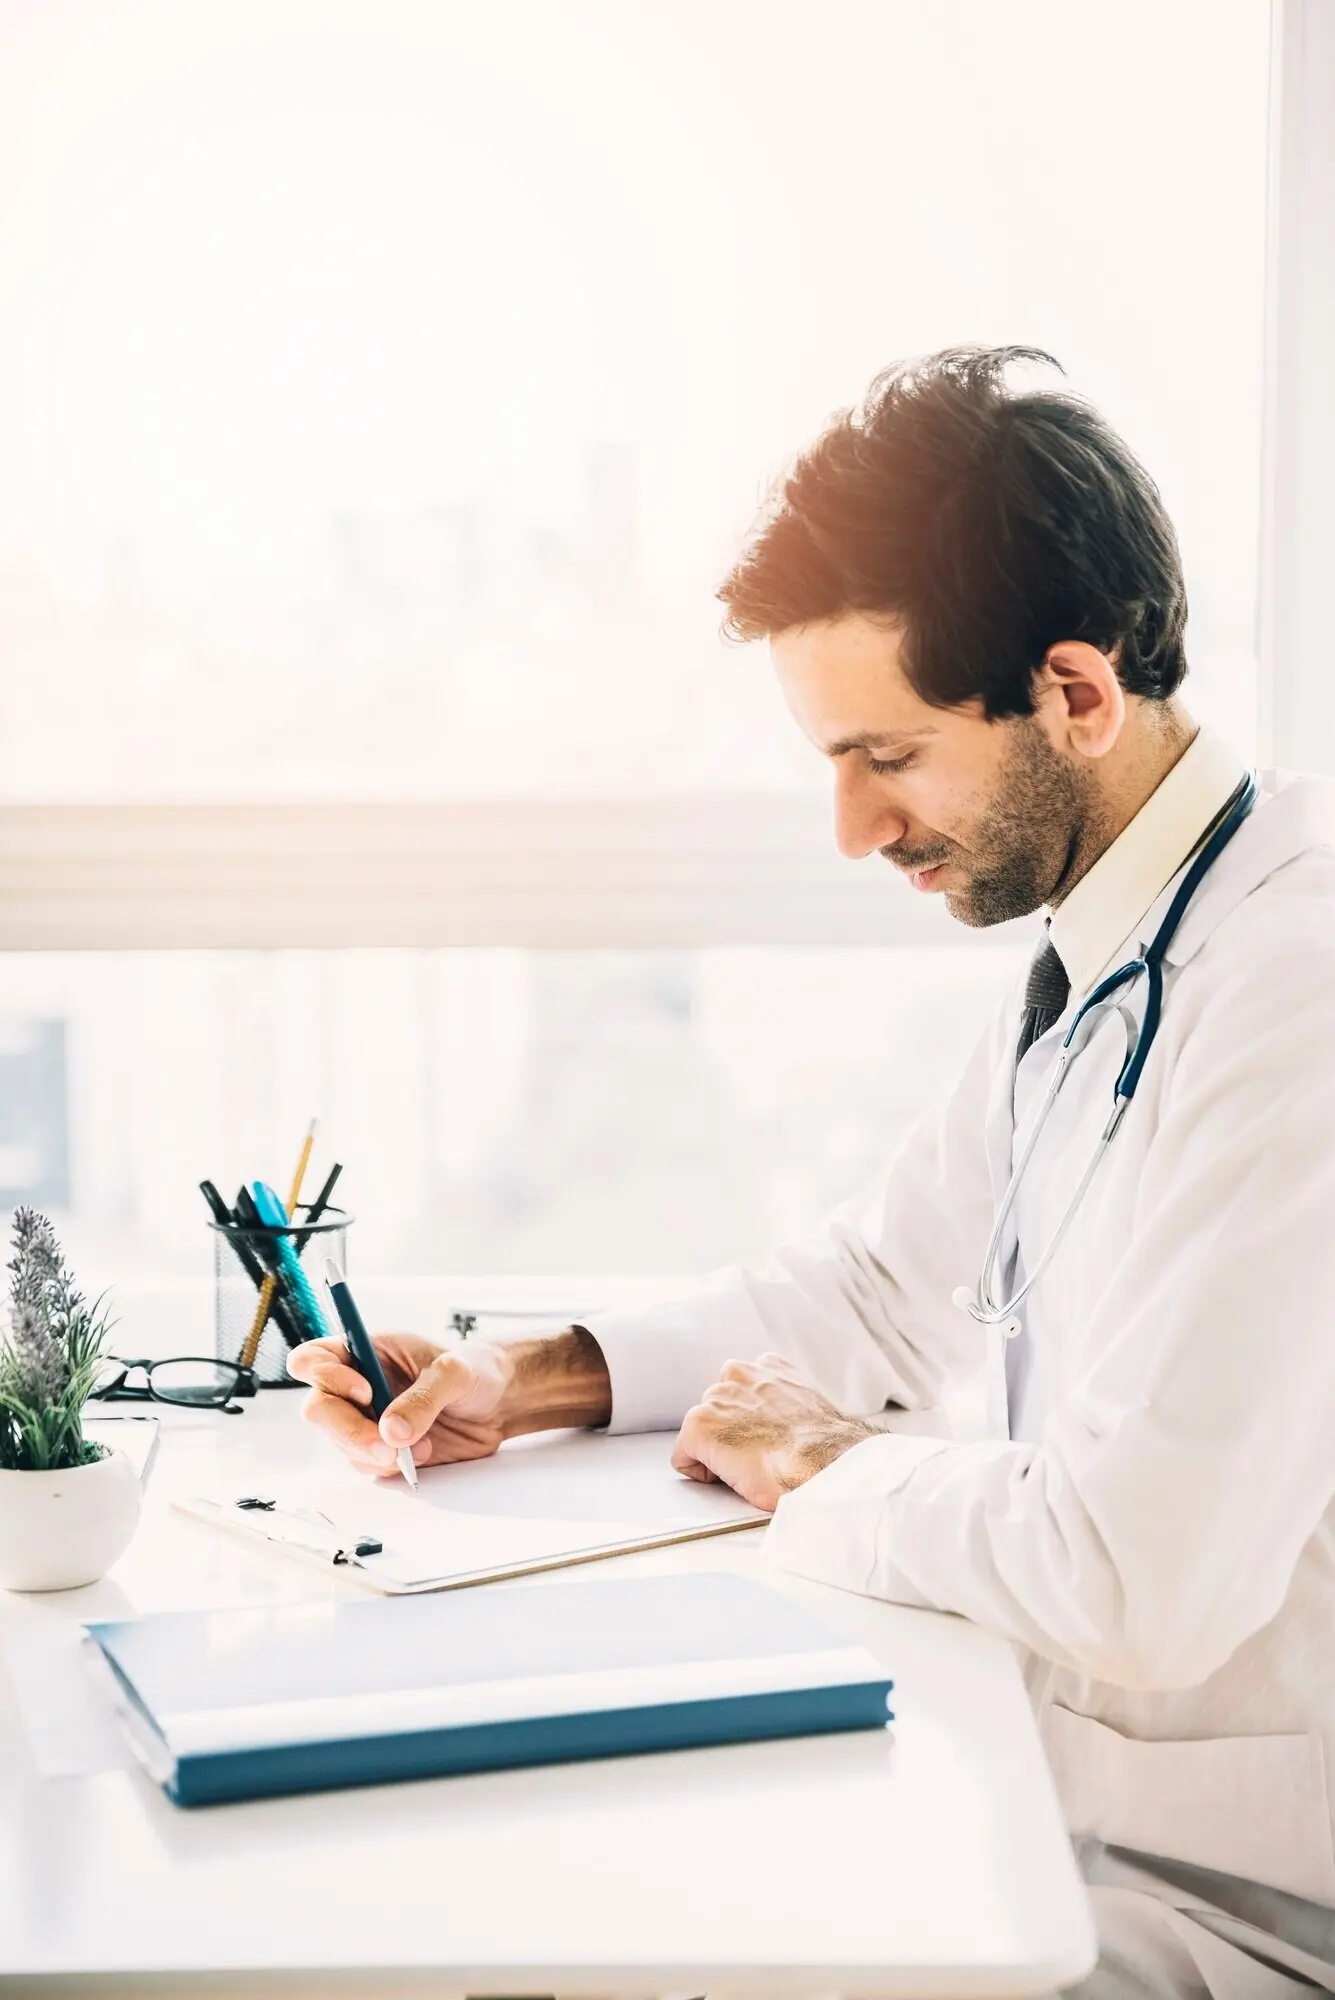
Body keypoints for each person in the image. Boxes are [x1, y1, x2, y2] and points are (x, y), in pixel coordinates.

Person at [291, 347, 1335, 1998]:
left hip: (1218, 1905)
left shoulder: (1291, 995)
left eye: (889, 756)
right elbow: (872, 1289)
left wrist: (830, 1468)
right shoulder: (1116, 946)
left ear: (1072, 691)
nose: (853, 830)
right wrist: (529, 1376)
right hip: (1055, 1799)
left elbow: (1140, 1575)